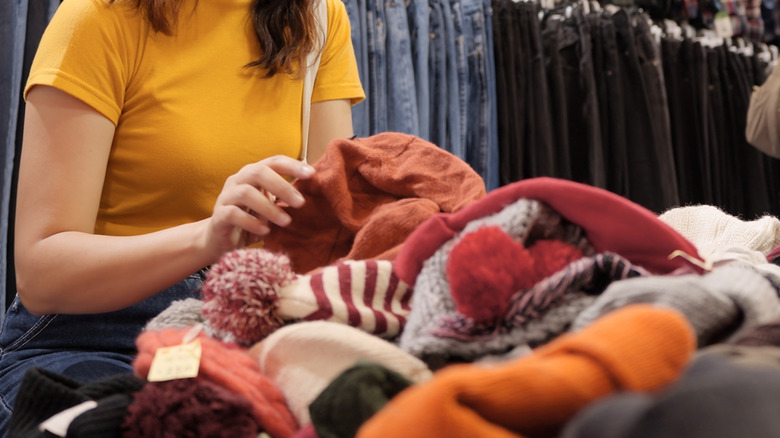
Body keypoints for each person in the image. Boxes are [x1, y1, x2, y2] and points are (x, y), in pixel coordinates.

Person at [0, 0, 365, 432]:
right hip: (92, 336)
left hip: (244, 330)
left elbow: (330, 225)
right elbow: (42, 276)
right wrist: (207, 238)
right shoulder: (98, 16)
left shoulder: (316, 16)